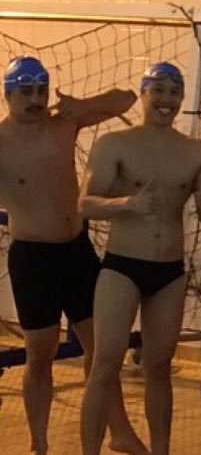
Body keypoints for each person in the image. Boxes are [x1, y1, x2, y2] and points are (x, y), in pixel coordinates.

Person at [0, 56, 149, 455]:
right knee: (40, 355)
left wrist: (83, 105)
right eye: (26, 92)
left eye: (41, 91)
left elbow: (126, 98)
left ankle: (120, 432)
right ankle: (39, 443)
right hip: (33, 260)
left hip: (76, 251)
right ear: (8, 95)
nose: (36, 100)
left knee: (103, 349)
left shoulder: (63, 124)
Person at [78, 62, 201, 455]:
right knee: (105, 363)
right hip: (122, 265)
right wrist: (128, 203)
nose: (166, 99)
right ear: (143, 94)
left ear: (182, 98)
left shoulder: (196, 152)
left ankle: (161, 450)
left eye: (174, 92)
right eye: (158, 90)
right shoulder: (115, 144)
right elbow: (84, 204)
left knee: (159, 367)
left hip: (169, 272)